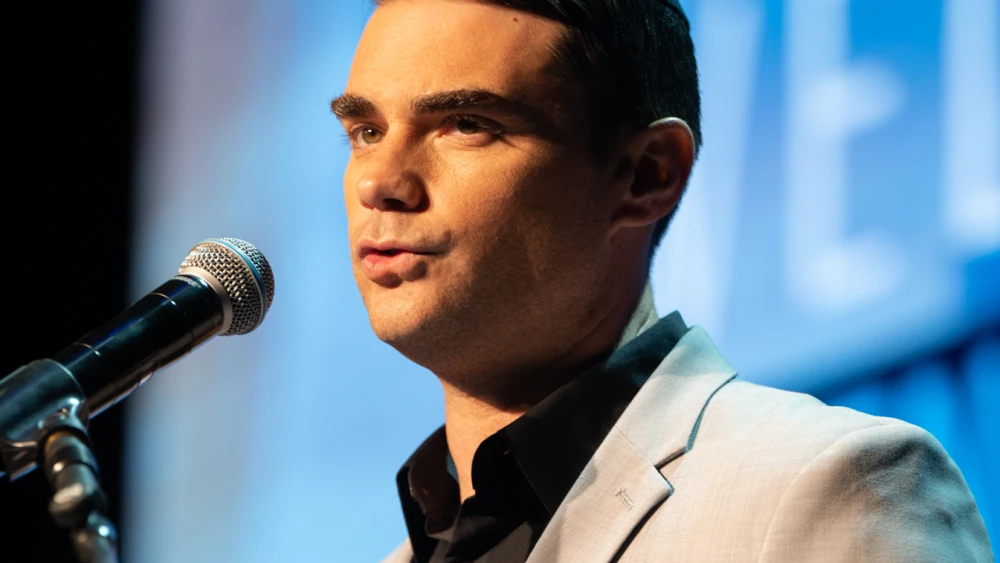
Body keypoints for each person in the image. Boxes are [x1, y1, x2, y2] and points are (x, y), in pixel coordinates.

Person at [331, 0, 993, 561]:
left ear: (648, 173)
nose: (378, 181)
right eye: (365, 130)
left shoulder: (834, 484)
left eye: (466, 124)